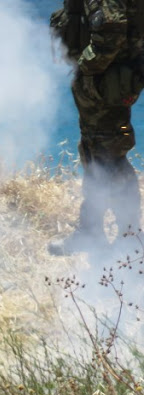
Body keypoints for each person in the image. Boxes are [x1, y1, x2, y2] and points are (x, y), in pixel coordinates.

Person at [48, 0, 144, 256]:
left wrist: (84, 65)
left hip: (104, 84)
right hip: (105, 82)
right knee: (95, 152)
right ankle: (94, 233)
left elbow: (110, 32)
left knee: (109, 157)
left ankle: (130, 240)